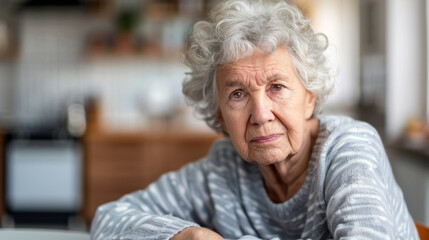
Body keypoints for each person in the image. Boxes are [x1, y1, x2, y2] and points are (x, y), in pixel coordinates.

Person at [90, 0, 419, 239]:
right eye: (237, 94)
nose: (260, 115)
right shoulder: (222, 169)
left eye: (277, 87)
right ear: (219, 114)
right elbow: (107, 219)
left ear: (310, 99)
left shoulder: (348, 149)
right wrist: (184, 236)